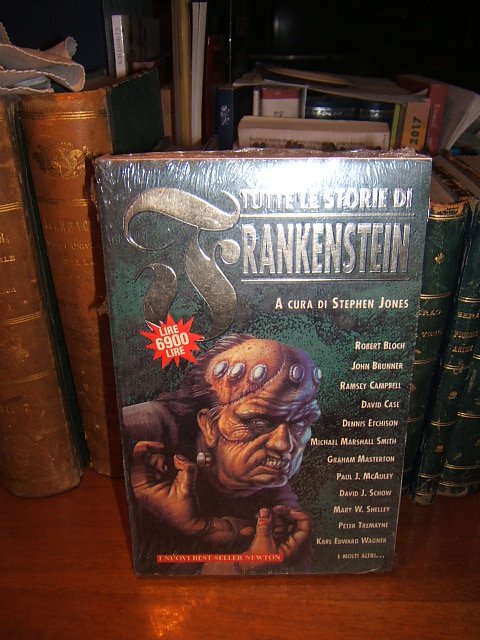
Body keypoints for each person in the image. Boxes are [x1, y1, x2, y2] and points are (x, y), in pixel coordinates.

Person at [124, 333, 322, 574]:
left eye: (299, 423)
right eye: (258, 422)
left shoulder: (280, 505)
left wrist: (211, 533)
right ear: (208, 425)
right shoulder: (148, 428)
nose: (283, 444)